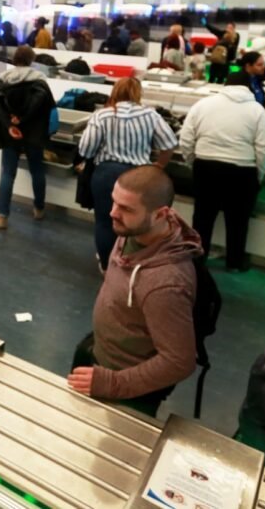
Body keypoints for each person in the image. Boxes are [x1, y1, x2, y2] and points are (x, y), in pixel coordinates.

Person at [67, 166, 200, 416]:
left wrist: (113, 384)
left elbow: (179, 361)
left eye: (126, 208)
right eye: (114, 202)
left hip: (128, 389)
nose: (113, 213)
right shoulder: (134, 230)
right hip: (99, 353)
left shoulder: (166, 283)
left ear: (160, 214)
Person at [77, 78, 178, 268]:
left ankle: (107, 266)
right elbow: (169, 143)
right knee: (136, 223)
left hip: (106, 175)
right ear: (138, 93)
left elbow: (86, 150)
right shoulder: (151, 114)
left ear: (115, 91)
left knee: (105, 222)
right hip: (139, 176)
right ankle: (131, 263)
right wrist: (159, 166)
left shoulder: (102, 115)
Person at [179, 71, 265, 272]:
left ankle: (197, 262)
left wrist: (193, 163)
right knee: (238, 221)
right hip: (242, 171)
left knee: (202, 219)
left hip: (206, 167)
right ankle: (234, 263)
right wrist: (258, 174)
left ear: (225, 85)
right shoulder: (257, 110)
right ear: (249, 87)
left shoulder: (203, 104)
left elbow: (186, 139)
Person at [0, 46, 54, 230]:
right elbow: (41, 102)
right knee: (37, 170)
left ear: (15, 59)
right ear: (31, 60)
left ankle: (2, 216)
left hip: (10, 133)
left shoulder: (3, 78)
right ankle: (39, 209)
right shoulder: (39, 79)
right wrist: (23, 119)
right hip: (33, 132)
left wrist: (10, 124)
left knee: (8, 173)